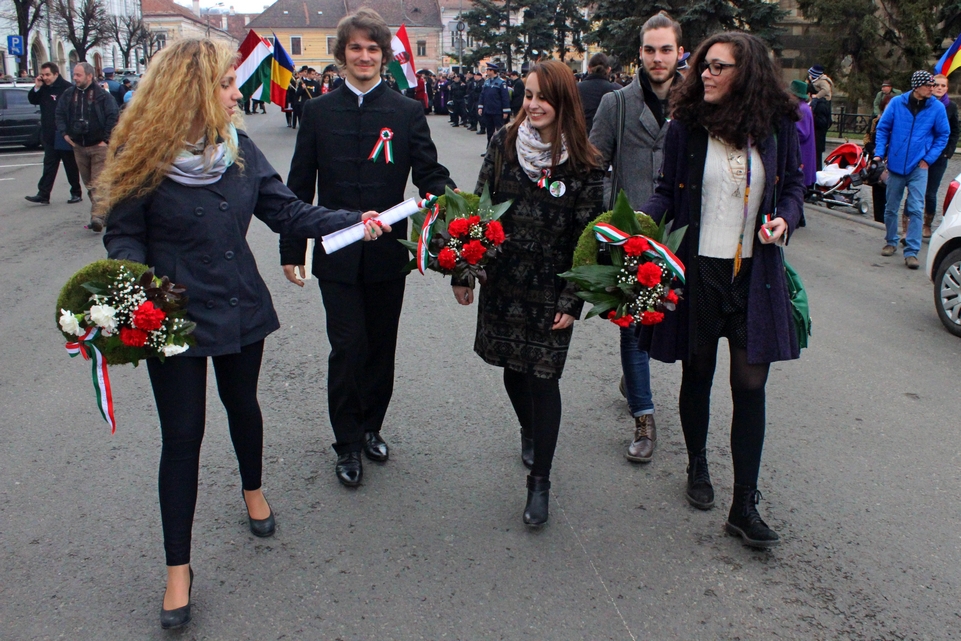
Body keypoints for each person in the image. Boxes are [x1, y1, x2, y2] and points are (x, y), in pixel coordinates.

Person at [98, 38, 387, 631]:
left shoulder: (235, 147)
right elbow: (123, 235)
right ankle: (178, 568)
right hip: (171, 317)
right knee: (182, 437)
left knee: (242, 404)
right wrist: (129, 289)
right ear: (193, 91)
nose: (237, 94)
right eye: (227, 84)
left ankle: (252, 488)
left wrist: (353, 222)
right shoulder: (141, 153)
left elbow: (286, 210)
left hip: (239, 305)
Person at [638, 32, 806, 549]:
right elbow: (666, 193)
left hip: (755, 274)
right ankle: (697, 464)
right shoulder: (688, 125)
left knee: (750, 386)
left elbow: (795, 186)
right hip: (699, 272)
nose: (705, 73)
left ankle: (744, 505)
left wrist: (785, 219)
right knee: (699, 372)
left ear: (746, 74)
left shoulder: (777, 125)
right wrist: (637, 227)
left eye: (719, 67)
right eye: (704, 65)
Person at [280, 8, 455, 487]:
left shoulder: (406, 111)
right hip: (335, 252)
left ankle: (372, 426)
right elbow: (299, 186)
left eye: (372, 48)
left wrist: (459, 207)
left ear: (383, 55)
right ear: (342, 54)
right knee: (347, 346)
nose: (364, 56)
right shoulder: (317, 112)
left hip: (387, 254)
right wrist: (292, 249)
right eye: (355, 47)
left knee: (380, 346)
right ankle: (346, 442)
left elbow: (430, 174)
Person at [453, 60, 604, 527]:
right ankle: (529, 428)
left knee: (543, 378)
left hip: (551, 286)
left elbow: (588, 235)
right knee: (513, 370)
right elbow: (478, 206)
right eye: (528, 95)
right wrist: (463, 270)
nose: (533, 105)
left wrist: (572, 299)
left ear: (563, 102)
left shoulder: (586, 162)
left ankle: (540, 482)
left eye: (543, 97)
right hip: (503, 278)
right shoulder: (503, 143)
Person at [590, 10, 684, 463]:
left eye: (666, 49)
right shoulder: (617, 103)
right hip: (631, 237)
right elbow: (594, 165)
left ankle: (634, 380)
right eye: (650, 50)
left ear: (679, 52)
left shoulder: (698, 103)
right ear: (640, 54)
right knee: (633, 328)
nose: (657, 58)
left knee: (677, 325)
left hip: (681, 233)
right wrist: (611, 217)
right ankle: (644, 419)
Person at [874, 71, 949, 268]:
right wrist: (879, 153)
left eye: (934, 85)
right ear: (917, 87)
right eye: (928, 85)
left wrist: (928, 159)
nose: (932, 89)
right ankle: (891, 241)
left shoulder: (937, 107)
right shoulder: (897, 103)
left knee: (916, 208)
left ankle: (912, 251)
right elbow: (883, 128)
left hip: (918, 167)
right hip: (896, 165)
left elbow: (943, 135)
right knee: (891, 207)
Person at [56, 62, 120, 232]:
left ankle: (97, 216)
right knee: (89, 184)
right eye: (74, 75)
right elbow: (59, 113)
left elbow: (113, 116)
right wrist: (65, 134)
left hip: (99, 147)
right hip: (78, 146)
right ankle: (104, 212)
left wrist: (106, 140)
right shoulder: (69, 95)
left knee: (98, 183)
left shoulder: (102, 95)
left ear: (89, 76)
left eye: (78, 75)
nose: (75, 78)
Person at [24, 62, 83, 206]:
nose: (45, 78)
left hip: (64, 134)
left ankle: (76, 192)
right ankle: (43, 194)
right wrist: (37, 87)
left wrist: (71, 131)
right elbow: (33, 100)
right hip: (49, 134)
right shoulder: (43, 88)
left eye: (48, 75)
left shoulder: (67, 88)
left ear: (56, 74)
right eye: (43, 75)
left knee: (70, 165)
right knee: (49, 166)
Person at [923, 74, 959, 238]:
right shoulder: (925, 103)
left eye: (943, 86)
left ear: (947, 88)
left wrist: (948, 152)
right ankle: (909, 225)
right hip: (922, 153)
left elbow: (955, 131)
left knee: (931, 192)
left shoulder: (950, 106)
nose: (939, 88)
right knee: (915, 190)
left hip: (939, 156)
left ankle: (927, 223)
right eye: (937, 85)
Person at [577, 52, 619, 135]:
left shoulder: (575, 89)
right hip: (609, 138)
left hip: (581, 137)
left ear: (588, 68)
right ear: (609, 69)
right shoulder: (618, 90)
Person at [789, 79, 817, 191]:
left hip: (803, 152)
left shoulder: (801, 109)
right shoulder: (802, 107)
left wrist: (789, 133)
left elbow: (803, 133)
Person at [477, 62, 511, 148]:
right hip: (488, 110)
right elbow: (482, 95)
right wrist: (480, 106)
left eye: (488, 70)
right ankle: (489, 149)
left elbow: (505, 97)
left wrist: (505, 111)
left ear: (493, 71)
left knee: (500, 131)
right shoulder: (487, 82)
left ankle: (502, 149)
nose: (487, 71)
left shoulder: (501, 82)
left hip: (497, 111)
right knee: (489, 131)